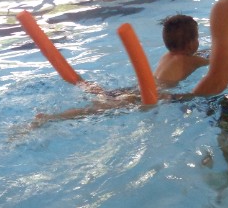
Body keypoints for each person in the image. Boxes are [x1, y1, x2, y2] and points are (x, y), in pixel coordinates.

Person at [31, 15, 207, 126]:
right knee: (99, 109)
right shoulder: (191, 61)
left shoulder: (168, 56)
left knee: (104, 95)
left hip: (136, 88)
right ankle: (52, 117)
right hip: (150, 94)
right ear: (192, 43)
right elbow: (213, 62)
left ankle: (79, 83)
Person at [153, 14, 209, 87]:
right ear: (190, 44)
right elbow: (212, 62)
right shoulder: (193, 61)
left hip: (151, 84)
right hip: (165, 91)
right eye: (197, 38)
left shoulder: (166, 56)